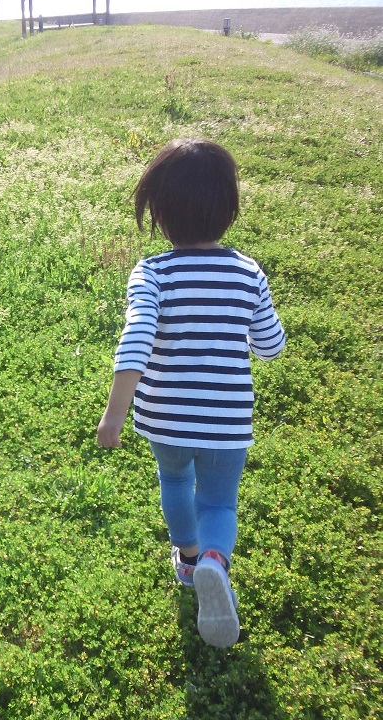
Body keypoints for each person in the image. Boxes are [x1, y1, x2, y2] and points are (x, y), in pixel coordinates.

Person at [97, 138, 285, 648]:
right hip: (227, 420)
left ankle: (185, 558)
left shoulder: (152, 273)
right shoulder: (248, 273)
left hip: (166, 418)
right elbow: (270, 345)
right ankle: (213, 560)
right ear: (229, 210)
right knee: (220, 501)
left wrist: (114, 414)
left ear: (158, 213)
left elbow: (135, 340)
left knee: (175, 479)